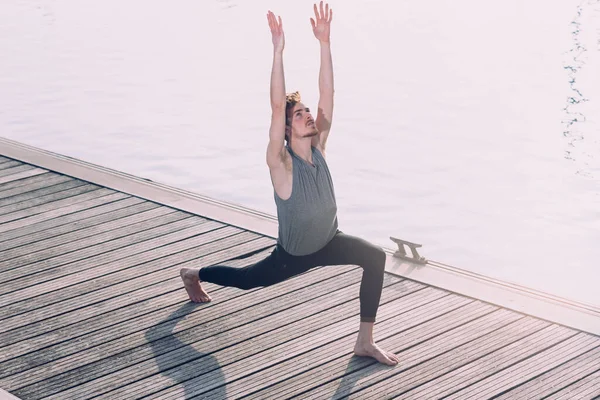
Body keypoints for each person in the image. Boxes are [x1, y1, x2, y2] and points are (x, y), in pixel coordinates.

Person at [181, 1, 399, 366]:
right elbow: (274, 106)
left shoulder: (320, 148)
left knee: (374, 257)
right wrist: (278, 50)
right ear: (286, 129)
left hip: (330, 242)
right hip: (293, 255)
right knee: (248, 279)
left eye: (307, 112)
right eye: (300, 115)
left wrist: (324, 44)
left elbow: (328, 94)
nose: (309, 115)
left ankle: (364, 341)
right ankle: (194, 273)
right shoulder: (281, 164)